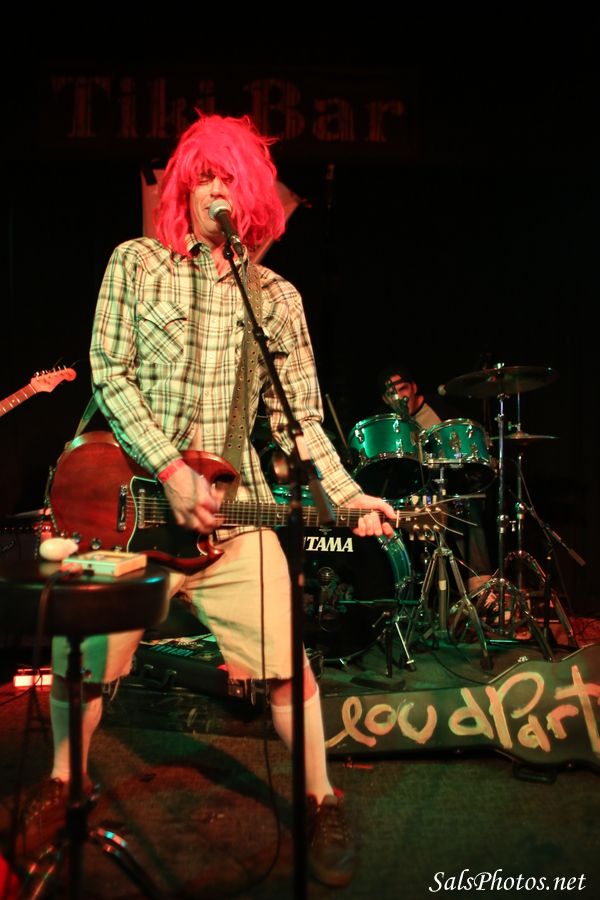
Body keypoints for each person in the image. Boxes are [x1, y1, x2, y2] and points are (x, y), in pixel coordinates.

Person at [23, 113, 396, 889]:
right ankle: (62, 784)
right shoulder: (136, 264)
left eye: (227, 178)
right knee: (85, 664)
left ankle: (321, 799)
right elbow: (109, 372)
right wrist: (168, 469)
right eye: (201, 177)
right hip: (132, 513)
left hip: (231, 518)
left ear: (250, 193)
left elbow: (300, 423)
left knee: (286, 666)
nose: (212, 190)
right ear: (182, 189)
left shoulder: (275, 298)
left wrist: (350, 495)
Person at [376, 364, 493, 592]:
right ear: (385, 399)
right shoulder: (388, 422)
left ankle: (481, 588)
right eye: (391, 393)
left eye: (402, 389)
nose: (399, 397)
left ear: (414, 388)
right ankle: (399, 593)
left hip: (446, 489)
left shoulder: (442, 410)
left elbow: (461, 455)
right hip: (409, 494)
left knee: (466, 506)